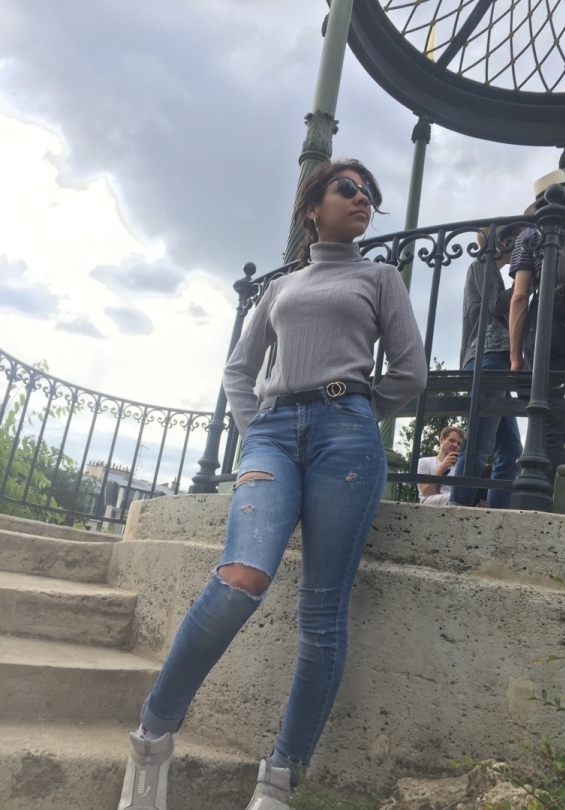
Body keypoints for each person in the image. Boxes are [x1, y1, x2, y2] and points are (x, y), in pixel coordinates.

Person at [116, 159, 427, 810]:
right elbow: (239, 369)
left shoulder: (380, 278)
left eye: (370, 193)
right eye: (348, 188)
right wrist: (254, 427)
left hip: (347, 437)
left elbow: (408, 371)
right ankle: (151, 738)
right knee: (241, 577)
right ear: (312, 206)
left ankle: (278, 781)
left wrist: (355, 412)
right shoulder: (281, 287)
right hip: (273, 434)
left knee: (322, 610)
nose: (363, 198)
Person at [509, 169, 565, 482]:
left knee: (548, 421)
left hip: (548, 330)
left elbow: (519, 296)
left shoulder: (530, 234)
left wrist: (515, 355)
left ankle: (550, 493)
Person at [449, 227, 523, 509]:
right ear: (503, 241)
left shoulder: (486, 268)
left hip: (493, 360)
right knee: (479, 444)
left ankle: (497, 514)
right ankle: (456, 510)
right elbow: (495, 304)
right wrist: (526, 278)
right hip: (488, 358)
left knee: (510, 450)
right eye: (516, 239)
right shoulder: (484, 262)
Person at [417, 426, 464, 505]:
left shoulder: (459, 467)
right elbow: (427, 492)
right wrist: (441, 468)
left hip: (453, 500)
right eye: (452, 440)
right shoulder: (424, 462)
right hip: (429, 501)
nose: (456, 445)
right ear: (441, 439)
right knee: (456, 497)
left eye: (459, 444)